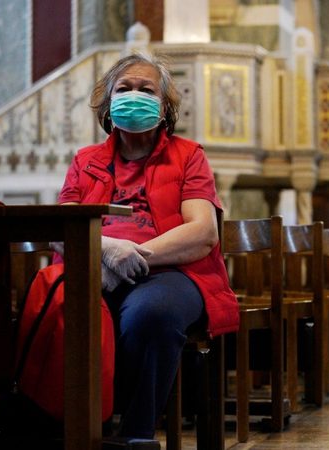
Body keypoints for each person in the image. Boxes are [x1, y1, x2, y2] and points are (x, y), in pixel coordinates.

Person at [56, 52, 239, 439]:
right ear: (108, 104)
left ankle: (135, 435)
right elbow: (60, 228)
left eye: (146, 89)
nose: (133, 95)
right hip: (98, 271)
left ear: (164, 106)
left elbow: (203, 232)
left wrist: (133, 256)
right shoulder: (86, 160)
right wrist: (105, 250)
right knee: (58, 309)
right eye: (124, 89)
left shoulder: (188, 156)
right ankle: (76, 427)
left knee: (151, 314)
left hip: (172, 273)